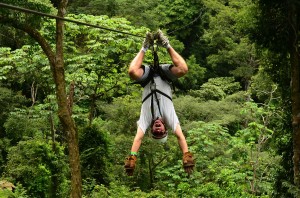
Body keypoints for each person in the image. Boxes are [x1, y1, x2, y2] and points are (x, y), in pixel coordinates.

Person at [124, 30, 195, 176]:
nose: (157, 130)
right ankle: (166, 44)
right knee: (183, 69)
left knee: (132, 72)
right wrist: (186, 155)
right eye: (160, 133)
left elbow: (138, 138)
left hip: (148, 77)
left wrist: (132, 157)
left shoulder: (146, 121)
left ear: (152, 129)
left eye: (155, 133)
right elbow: (180, 137)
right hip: (164, 76)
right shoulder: (170, 120)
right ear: (165, 129)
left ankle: (145, 46)